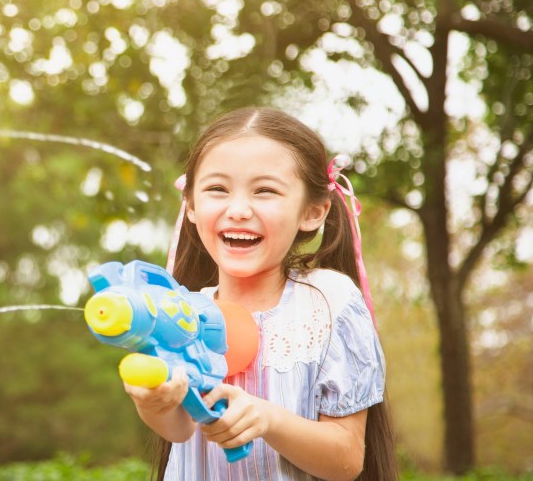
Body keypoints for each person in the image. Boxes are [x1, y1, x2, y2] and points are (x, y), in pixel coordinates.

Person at [126, 107, 396, 480]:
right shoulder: (180, 312)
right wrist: (152, 403)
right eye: (217, 189)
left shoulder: (328, 303)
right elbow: (179, 430)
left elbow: (346, 460)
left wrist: (267, 418)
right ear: (190, 205)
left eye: (265, 191)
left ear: (313, 212)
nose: (238, 210)